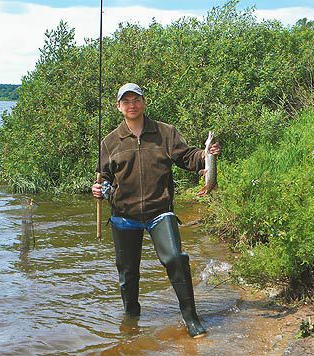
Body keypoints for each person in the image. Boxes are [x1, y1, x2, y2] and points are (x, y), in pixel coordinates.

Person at [92, 83, 220, 338]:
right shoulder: (109, 142)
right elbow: (104, 178)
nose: (132, 105)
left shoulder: (165, 132)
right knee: (128, 273)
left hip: (160, 211)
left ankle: (191, 318)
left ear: (144, 102)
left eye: (136, 99)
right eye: (126, 101)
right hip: (123, 216)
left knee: (175, 259)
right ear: (119, 107)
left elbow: (187, 157)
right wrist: (99, 188)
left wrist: (205, 157)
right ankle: (131, 319)